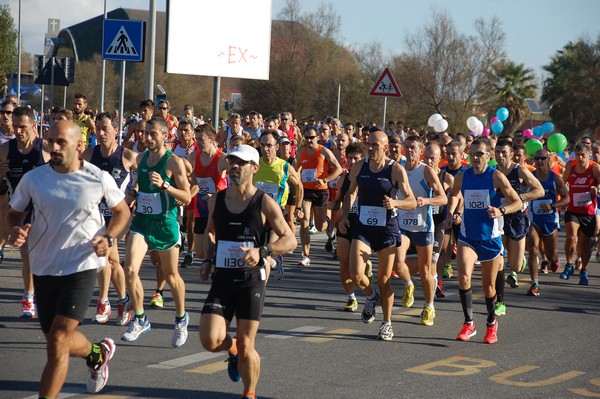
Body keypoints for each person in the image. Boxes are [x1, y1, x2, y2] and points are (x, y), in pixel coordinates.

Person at [6, 120, 130, 398]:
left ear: (78, 145)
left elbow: (122, 212)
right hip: (44, 265)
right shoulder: (34, 178)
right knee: (56, 341)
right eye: (50, 141)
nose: (53, 147)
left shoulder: (97, 177)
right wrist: (14, 230)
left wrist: (109, 239)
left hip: (82, 265)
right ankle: (97, 353)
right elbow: (14, 213)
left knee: (60, 339)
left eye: (60, 142)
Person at [199, 144, 296, 399]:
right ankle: (231, 350)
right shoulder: (216, 200)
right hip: (222, 278)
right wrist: (208, 260)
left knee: (247, 345)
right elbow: (209, 231)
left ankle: (249, 394)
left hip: (251, 280)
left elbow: (290, 239)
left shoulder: (264, 203)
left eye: (240, 162)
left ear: (254, 168)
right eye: (232, 161)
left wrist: (263, 252)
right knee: (209, 340)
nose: (234, 166)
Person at [339, 130, 416, 340]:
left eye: (375, 145)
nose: (371, 148)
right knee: (355, 274)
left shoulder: (396, 170)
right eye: (369, 144)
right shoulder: (359, 166)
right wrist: (346, 214)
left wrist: (396, 203)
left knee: (384, 280)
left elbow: (411, 200)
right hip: (363, 226)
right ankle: (371, 296)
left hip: (386, 229)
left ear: (385, 148)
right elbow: (351, 192)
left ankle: (387, 323)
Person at [122, 117, 192, 346]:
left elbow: (187, 196)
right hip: (142, 221)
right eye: (146, 134)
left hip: (165, 223)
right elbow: (138, 185)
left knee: (171, 277)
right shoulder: (141, 158)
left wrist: (165, 186)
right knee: (130, 269)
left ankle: (181, 319)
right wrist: (133, 194)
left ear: (165, 136)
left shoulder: (174, 163)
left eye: (153, 134)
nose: (148, 138)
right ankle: (140, 318)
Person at [445, 139, 522, 344]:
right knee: (463, 277)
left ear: (488, 156)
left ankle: (491, 323)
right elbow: (454, 195)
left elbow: (517, 202)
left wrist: (500, 210)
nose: (476, 158)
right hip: (467, 236)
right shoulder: (463, 176)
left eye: (480, 154)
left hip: (490, 238)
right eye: (473, 154)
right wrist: (452, 212)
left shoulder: (495, 177)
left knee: (489, 288)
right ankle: (469, 323)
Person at [82, 111, 138, 325]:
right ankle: (123, 301)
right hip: (96, 217)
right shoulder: (89, 155)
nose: (101, 133)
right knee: (113, 261)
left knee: (104, 256)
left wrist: (135, 193)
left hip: (119, 217)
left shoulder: (128, 156)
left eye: (105, 128)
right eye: (98, 129)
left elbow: (143, 176)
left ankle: (104, 301)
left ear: (116, 130)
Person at [0, 106, 51, 317]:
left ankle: (45, 295)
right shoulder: (5, 150)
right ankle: (28, 298)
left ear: (33, 125)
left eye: (23, 127)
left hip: (43, 209)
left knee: (44, 256)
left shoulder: (45, 149)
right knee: (26, 254)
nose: (18, 131)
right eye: (16, 126)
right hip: (18, 210)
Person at [394, 137, 447, 326]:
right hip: (403, 225)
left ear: (420, 150)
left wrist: (426, 201)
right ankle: (409, 284)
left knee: (425, 272)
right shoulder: (398, 168)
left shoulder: (426, 170)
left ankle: (429, 305)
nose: (409, 151)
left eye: (413, 148)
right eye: (407, 147)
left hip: (423, 227)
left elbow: (443, 199)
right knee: (397, 262)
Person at [493, 139, 543, 315]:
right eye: (497, 152)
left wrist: (521, 198)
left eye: (503, 152)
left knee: (513, 264)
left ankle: (519, 260)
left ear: (511, 154)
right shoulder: (492, 171)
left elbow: (540, 190)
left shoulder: (519, 170)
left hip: (517, 218)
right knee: (498, 260)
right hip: (498, 217)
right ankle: (500, 301)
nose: (500, 155)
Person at [255, 130, 304, 278]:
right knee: (259, 252)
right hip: (256, 212)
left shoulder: (284, 167)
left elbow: (299, 186)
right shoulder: (255, 164)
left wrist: (299, 207)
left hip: (276, 213)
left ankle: (260, 291)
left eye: (269, 145)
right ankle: (276, 264)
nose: (265, 149)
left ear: (276, 147)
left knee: (265, 251)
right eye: (262, 145)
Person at [295, 126, 343, 266]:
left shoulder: (323, 151)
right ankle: (306, 256)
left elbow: (338, 168)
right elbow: (296, 170)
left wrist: (325, 180)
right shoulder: (301, 152)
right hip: (306, 191)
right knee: (304, 221)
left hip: (321, 190)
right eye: (307, 137)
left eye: (312, 137)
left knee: (319, 225)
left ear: (317, 137)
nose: (309, 140)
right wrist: (296, 180)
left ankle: (329, 229)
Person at [527, 149, 570, 294]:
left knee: (551, 256)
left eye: (542, 159)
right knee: (533, 249)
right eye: (537, 158)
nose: (539, 161)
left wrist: (552, 206)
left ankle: (554, 260)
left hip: (550, 220)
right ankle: (534, 284)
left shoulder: (555, 178)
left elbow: (566, 198)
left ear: (548, 160)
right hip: (534, 218)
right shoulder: (530, 177)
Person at [332, 142, 368, 311]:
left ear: (363, 160)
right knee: (344, 262)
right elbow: (338, 199)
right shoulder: (344, 178)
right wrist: (334, 211)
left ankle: (369, 291)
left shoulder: (369, 177)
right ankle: (351, 297)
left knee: (358, 268)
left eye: (356, 158)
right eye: (350, 158)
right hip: (346, 221)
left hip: (364, 223)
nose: (353, 162)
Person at [561, 142, 600, 285]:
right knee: (571, 237)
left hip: (588, 211)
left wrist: (596, 187)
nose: (580, 158)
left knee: (585, 244)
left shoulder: (594, 168)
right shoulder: (570, 166)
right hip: (572, 209)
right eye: (578, 155)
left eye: (583, 155)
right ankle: (569, 265)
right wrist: (562, 195)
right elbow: (562, 182)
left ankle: (584, 270)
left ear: (589, 155)